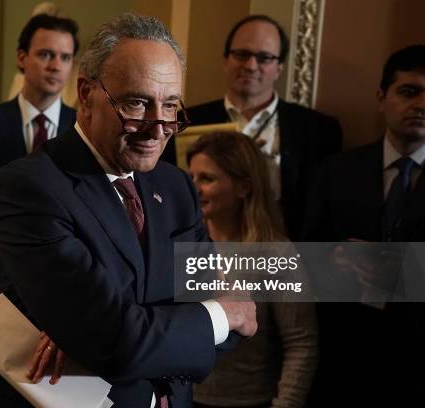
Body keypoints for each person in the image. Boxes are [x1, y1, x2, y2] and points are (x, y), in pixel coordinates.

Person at [0, 13, 257, 408]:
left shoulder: (176, 187)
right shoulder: (30, 187)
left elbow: (230, 328)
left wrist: (113, 334)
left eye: (170, 106)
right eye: (137, 103)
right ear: (87, 93)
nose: (157, 127)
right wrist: (217, 316)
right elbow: (115, 338)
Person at [0, 13, 78, 404]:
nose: (55, 65)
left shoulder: (84, 130)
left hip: (67, 291)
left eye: (64, 57)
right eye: (45, 54)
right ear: (22, 58)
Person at [302, 45, 425, 406]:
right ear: (381, 97)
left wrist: (401, 271)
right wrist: (334, 261)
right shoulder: (336, 171)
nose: (421, 104)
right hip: (345, 358)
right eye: (409, 91)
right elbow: (306, 254)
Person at [162, 15, 342, 240]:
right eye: (242, 54)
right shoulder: (183, 121)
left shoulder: (319, 129)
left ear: (279, 68)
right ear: (226, 59)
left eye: (264, 58)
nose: (250, 65)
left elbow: (321, 213)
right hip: (200, 255)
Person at [187, 132, 318, 408]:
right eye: (192, 177)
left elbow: (301, 345)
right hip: (181, 397)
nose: (194, 188)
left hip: (248, 401)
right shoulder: (181, 243)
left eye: (207, 179)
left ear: (244, 187)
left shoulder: (275, 253)